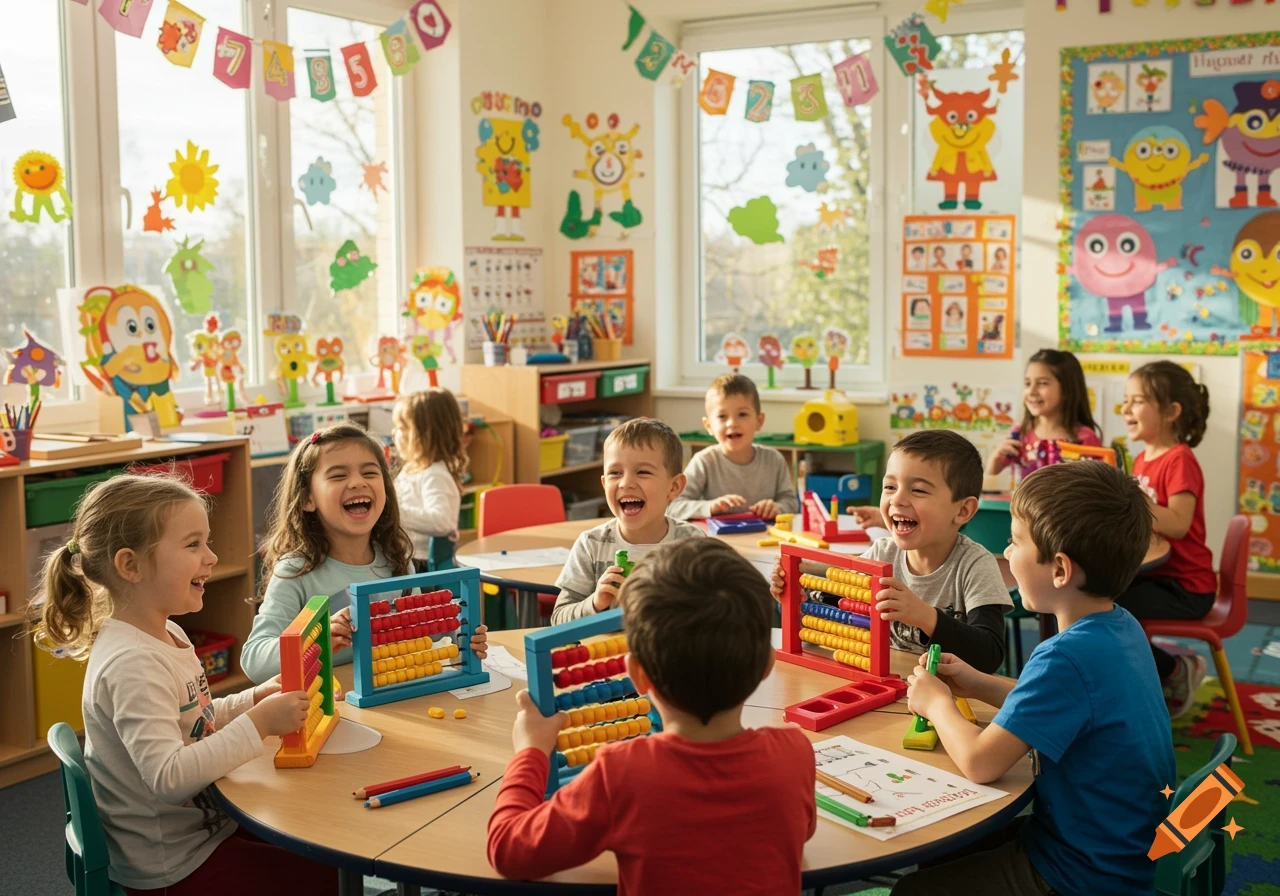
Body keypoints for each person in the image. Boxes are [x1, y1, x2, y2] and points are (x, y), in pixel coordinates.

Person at [30, 473, 337, 895]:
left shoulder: (166, 632)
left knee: (313, 839)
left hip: (204, 829)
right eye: (193, 545)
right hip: (173, 865)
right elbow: (169, 777)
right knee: (326, 877)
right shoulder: (132, 664)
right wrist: (260, 724)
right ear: (130, 565)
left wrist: (253, 699)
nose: (211, 557)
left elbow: (194, 718)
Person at [894, 461, 1175, 896]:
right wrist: (978, 683)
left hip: (1079, 873)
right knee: (946, 847)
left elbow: (980, 763)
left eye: (1015, 542)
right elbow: (1065, 703)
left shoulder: (1063, 656)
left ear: (1060, 570)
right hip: (1120, 851)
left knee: (911, 892)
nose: (1005, 553)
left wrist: (937, 705)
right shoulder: (1120, 626)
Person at [488, 539, 816, 892]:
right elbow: (803, 829)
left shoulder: (622, 774)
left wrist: (530, 752)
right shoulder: (793, 752)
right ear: (768, 664)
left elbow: (510, 851)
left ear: (637, 675)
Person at [242, 424, 486, 683]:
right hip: (331, 711)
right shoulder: (296, 572)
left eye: (370, 472)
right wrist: (316, 638)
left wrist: (460, 633)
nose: (358, 482)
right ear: (307, 499)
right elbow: (254, 661)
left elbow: (414, 632)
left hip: (392, 699)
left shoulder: (397, 561)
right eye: (337, 476)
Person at [782, 431, 1011, 672]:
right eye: (890, 486)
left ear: (963, 510)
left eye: (919, 490)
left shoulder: (975, 565)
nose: (897, 499)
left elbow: (989, 655)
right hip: (886, 683)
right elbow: (834, 619)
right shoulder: (881, 554)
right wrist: (795, 601)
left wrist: (925, 616)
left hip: (948, 697)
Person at [1117, 360, 1215, 717]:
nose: (1126, 409)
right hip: (1157, 575)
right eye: (1126, 400)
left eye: (1137, 401)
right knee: (1101, 594)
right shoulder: (1143, 458)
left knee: (1113, 610)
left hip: (1187, 587)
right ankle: (1131, 678)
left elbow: (1177, 524)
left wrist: (1133, 499)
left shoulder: (1179, 460)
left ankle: (1175, 669)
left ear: (1172, 411)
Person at [553, 418, 703, 624]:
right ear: (605, 484)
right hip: (604, 653)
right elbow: (559, 619)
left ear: (674, 486)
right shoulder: (591, 545)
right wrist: (596, 603)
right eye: (615, 473)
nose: (626, 483)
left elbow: (714, 612)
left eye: (642, 472)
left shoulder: (692, 543)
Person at [668, 373, 797, 521]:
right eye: (722, 416)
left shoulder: (774, 460)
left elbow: (791, 503)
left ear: (759, 421)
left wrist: (777, 508)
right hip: (718, 541)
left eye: (742, 414)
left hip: (764, 539)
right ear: (708, 426)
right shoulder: (704, 462)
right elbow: (673, 506)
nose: (732, 423)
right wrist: (710, 507)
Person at [988, 349, 1102, 478]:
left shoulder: (1085, 438)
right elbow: (991, 476)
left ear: (1067, 389)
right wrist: (996, 458)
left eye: (1042, 383)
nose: (1031, 391)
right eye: (1027, 383)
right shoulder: (1021, 432)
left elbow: (1098, 489)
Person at [392, 388, 467, 566]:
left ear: (425, 434)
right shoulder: (412, 470)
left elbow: (442, 522)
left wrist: (393, 512)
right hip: (407, 557)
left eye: (402, 428)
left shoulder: (435, 474)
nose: (395, 433)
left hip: (423, 564)